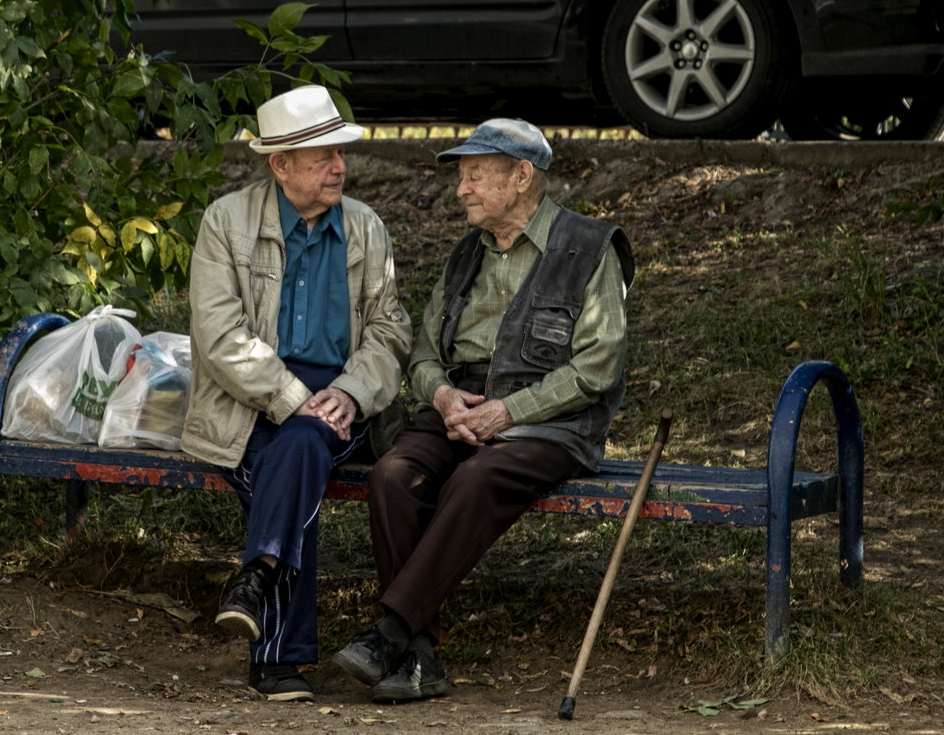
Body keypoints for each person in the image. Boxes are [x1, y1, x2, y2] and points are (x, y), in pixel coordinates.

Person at [333, 119, 635, 702]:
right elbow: (423, 351)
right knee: (394, 475)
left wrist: (507, 412)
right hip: (461, 403)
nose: (461, 189)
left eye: (475, 175)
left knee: (477, 476)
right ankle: (421, 655)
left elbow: (597, 369)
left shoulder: (589, 247)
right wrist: (443, 396)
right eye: (462, 177)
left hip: (552, 415)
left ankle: (392, 630)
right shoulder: (466, 252)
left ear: (522, 177)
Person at [180, 85, 412, 702]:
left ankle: (259, 589)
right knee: (297, 454)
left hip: (342, 399)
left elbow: (390, 330)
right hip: (248, 399)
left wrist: (353, 392)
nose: (339, 167)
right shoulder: (226, 223)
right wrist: (289, 396)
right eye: (322, 156)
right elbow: (220, 335)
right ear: (279, 164)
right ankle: (275, 647)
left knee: (304, 444)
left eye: (340, 154)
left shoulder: (365, 226)